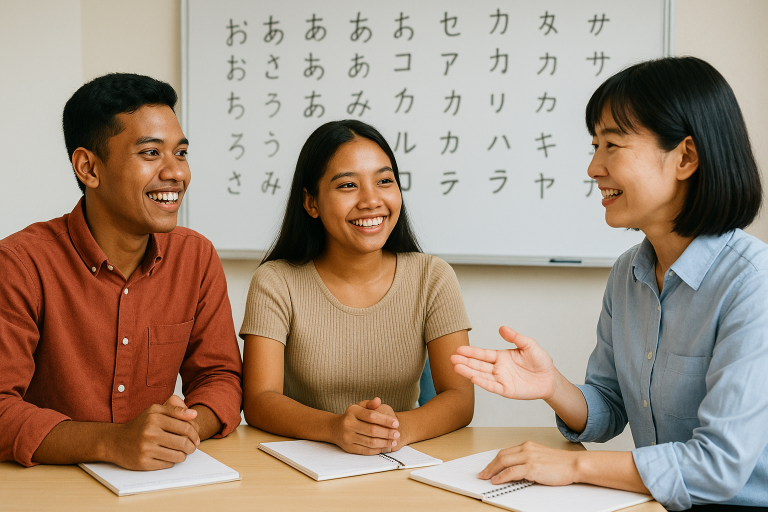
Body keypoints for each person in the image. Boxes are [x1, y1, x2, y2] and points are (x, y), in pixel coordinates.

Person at [451, 57, 768, 511]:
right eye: (594, 146)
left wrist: (576, 468)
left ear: (686, 157)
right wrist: (551, 385)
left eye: (612, 145)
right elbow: (609, 408)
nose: (593, 167)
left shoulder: (753, 283)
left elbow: (719, 466)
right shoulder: (628, 273)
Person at [0, 73, 243, 470]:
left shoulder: (195, 257)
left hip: (159, 483)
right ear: (88, 168)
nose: (176, 173)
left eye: (180, 153)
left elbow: (221, 378)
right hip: (51, 489)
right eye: (150, 153)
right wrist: (114, 442)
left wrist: (177, 433)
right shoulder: (20, 264)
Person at [241, 120, 474, 454]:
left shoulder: (432, 277)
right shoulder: (275, 282)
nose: (371, 200)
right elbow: (260, 401)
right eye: (348, 185)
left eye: (384, 181)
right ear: (311, 203)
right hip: (304, 465)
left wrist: (395, 431)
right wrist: (335, 428)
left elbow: (460, 398)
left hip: (400, 459)